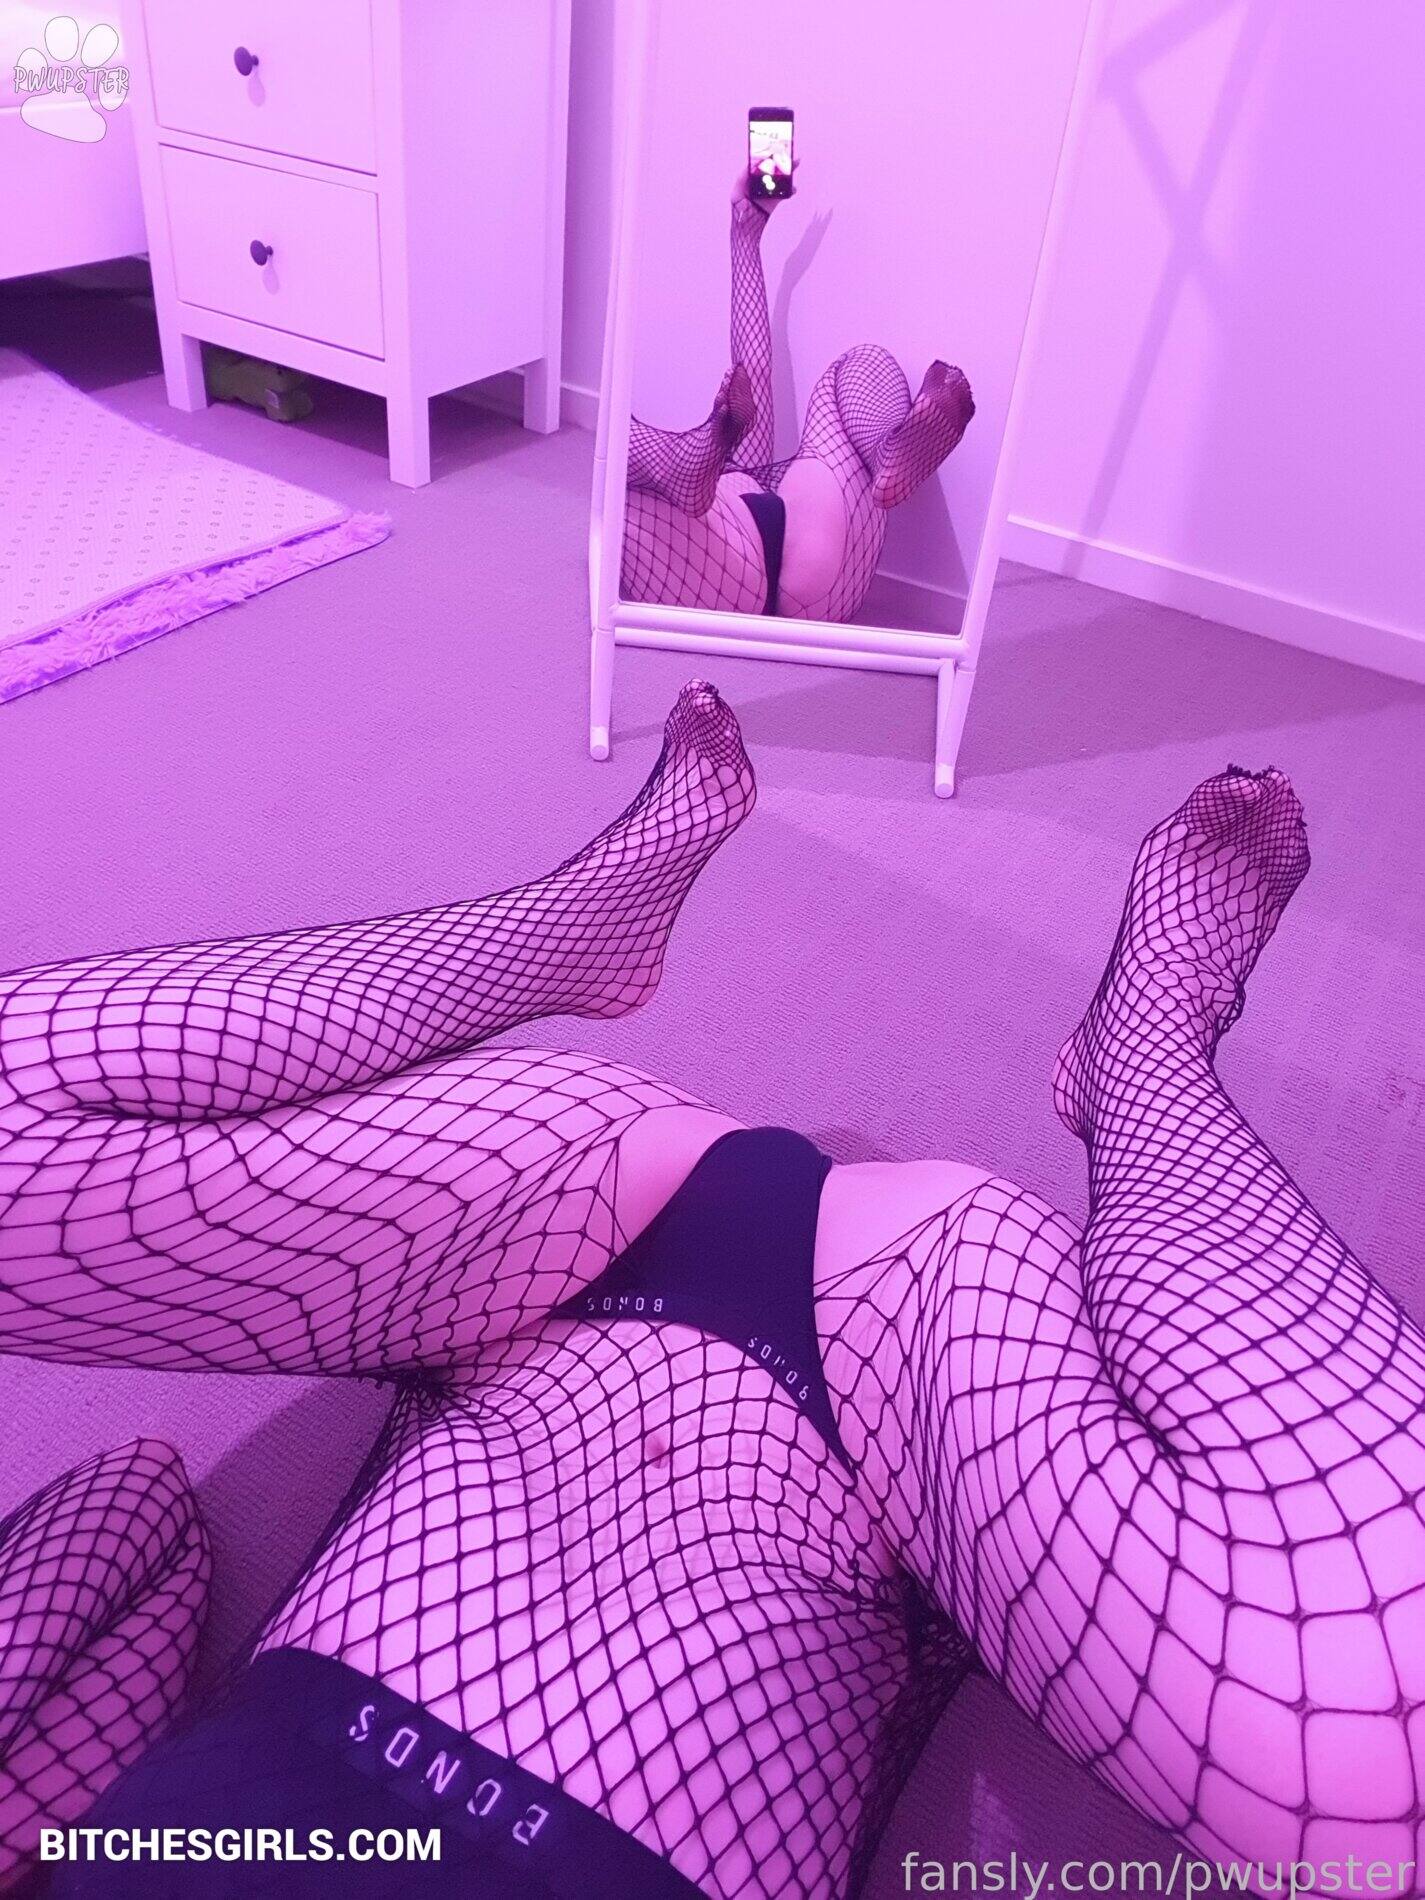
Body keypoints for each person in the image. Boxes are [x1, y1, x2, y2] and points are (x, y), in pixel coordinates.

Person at [0, 685, 1421, 1897]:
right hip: (885, 1396)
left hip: (533, 1283)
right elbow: (134, 1522)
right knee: (1374, 1743)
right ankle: (1144, 1057)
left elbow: (129, 1517)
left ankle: (562, 929)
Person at [622, 170, 976, 623]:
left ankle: (887, 451)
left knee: (614, 456)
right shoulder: (743, 472)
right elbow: (754, 366)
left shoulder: (739, 471)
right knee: (864, 364)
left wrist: (747, 236)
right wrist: (745, 240)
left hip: (720, 577)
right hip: (830, 580)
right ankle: (881, 448)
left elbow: (753, 371)